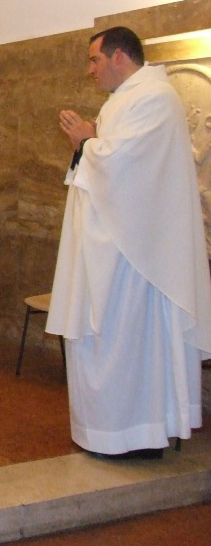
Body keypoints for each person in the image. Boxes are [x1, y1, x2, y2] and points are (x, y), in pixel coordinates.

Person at [47, 26, 211, 458]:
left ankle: (137, 434)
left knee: (129, 340)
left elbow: (126, 167)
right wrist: (88, 144)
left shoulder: (154, 99)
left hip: (137, 254)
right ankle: (108, 430)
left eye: (94, 60)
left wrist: (86, 141)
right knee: (103, 340)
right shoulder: (125, 100)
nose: (90, 70)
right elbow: (108, 159)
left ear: (120, 57)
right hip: (113, 244)